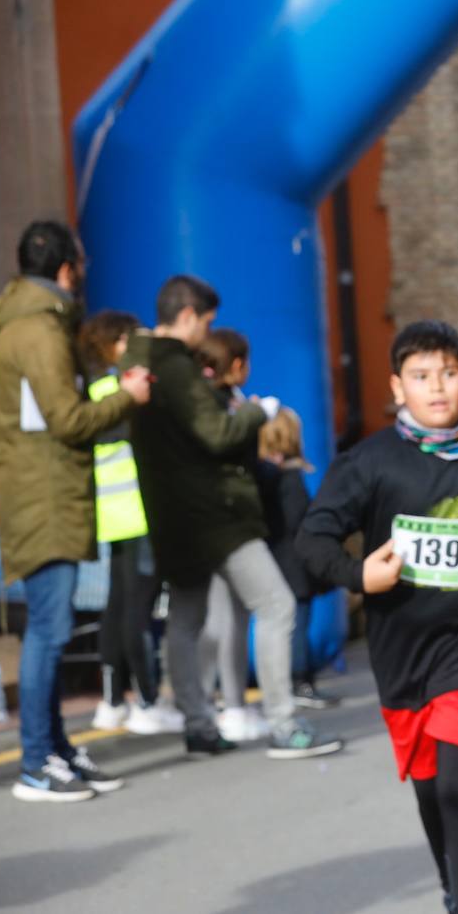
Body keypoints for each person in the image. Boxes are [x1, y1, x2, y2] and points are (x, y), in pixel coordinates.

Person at [298, 320, 458, 914]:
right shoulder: (369, 462)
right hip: (402, 652)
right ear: (398, 387)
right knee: (429, 789)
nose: (437, 388)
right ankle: (455, 883)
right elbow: (312, 540)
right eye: (421, 377)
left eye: (448, 373)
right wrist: (358, 576)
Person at [122, 276, 341, 759]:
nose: (207, 332)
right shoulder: (175, 367)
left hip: (170, 517)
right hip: (215, 514)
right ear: (186, 316)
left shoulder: (135, 362)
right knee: (277, 605)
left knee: (187, 617)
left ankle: (198, 725)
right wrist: (258, 414)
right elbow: (217, 433)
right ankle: (284, 724)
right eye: (205, 321)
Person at [0, 221, 149, 801]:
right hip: (45, 496)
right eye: (80, 263)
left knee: (49, 632)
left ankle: (52, 750)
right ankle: (36, 763)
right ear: (66, 269)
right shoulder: (40, 329)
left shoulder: (27, 323)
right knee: (49, 633)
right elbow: (69, 420)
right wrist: (126, 398)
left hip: (39, 491)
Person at [78, 311, 183, 736]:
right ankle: (147, 701)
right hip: (139, 511)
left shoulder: (95, 390)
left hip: (111, 514)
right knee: (139, 611)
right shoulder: (127, 391)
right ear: (118, 344)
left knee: (117, 607)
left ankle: (111, 701)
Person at [191, 328, 267, 742]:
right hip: (227, 522)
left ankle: (212, 704)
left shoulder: (210, 401)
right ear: (236, 364)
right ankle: (233, 706)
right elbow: (226, 446)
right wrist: (256, 415)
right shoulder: (222, 406)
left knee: (219, 618)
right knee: (246, 614)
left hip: (206, 523)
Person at [256, 407, 335, 709]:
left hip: (280, 560)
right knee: (296, 624)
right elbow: (295, 519)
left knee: (291, 623)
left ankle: (295, 680)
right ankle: (300, 680)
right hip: (292, 564)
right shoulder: (287, 478)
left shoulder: (269, 476)